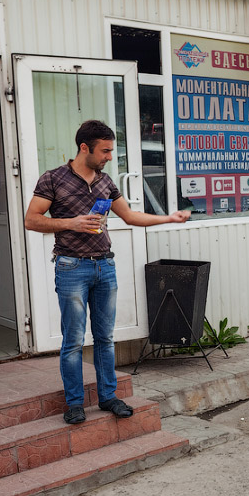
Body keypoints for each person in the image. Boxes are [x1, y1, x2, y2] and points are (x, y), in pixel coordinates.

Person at [25, 120, 189, 424]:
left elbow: (130, 216)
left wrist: (169, 218)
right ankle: (75, 403)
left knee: (105, 337)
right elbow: (31, 220)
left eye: (111, 150)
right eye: (105, 151)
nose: (110, 157)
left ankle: (108, 397)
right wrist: (71, 223)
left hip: (105, 266)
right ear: (84, 148)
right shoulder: (53, 178)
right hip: (71, 267)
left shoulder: (105, 181)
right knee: (74, 340)